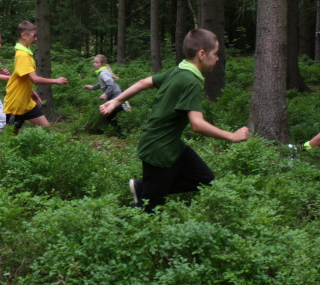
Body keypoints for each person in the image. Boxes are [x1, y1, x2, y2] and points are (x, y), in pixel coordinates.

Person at [100, 29, 249, 212]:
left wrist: (117, 101)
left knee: (205, 179)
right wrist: (232, 136)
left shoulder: (178, 71)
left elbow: (143, 82)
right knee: (147, 211)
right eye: (215, 53)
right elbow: (197, 124)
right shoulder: (190, 81)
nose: (217, 58)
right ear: (202, 54)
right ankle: (140, 200)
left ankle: (143, 187)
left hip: (171, 145)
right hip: (159, 149)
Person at [2, 21, 68, 133]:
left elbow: (23, 78)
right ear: (24, 35)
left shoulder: (25, 54)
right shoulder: (22, 55)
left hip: (27, 102)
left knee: (46, 130)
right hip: (16, 103)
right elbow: (35, 79)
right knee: (10, 137)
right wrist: (56, 81)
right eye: (34, 35)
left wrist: (32, 92)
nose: (36, 39)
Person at [83, 54, 130, 126]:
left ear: (102, 64)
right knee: (109, 113)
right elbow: (103, 84)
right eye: (94, 62)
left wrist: (105, 94)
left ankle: (122, 108)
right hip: (115, 95)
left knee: (108, 113)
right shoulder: (103, 71)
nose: (94, 64)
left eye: (97, 62)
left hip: (115, 96)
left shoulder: (103, 73)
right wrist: (92, 87)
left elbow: (110, 84)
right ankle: (122, 108)